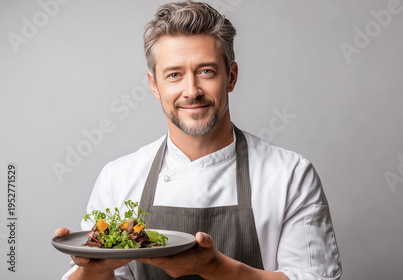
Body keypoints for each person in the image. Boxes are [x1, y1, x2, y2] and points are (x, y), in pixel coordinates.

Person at [56, 1, 341, 279]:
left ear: (231, 76)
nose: (191, 91)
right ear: (155, 85)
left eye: (206, 71)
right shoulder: (118, 178)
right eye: (174, 75)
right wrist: (91, 271)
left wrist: (215, 268)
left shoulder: (289, 174)